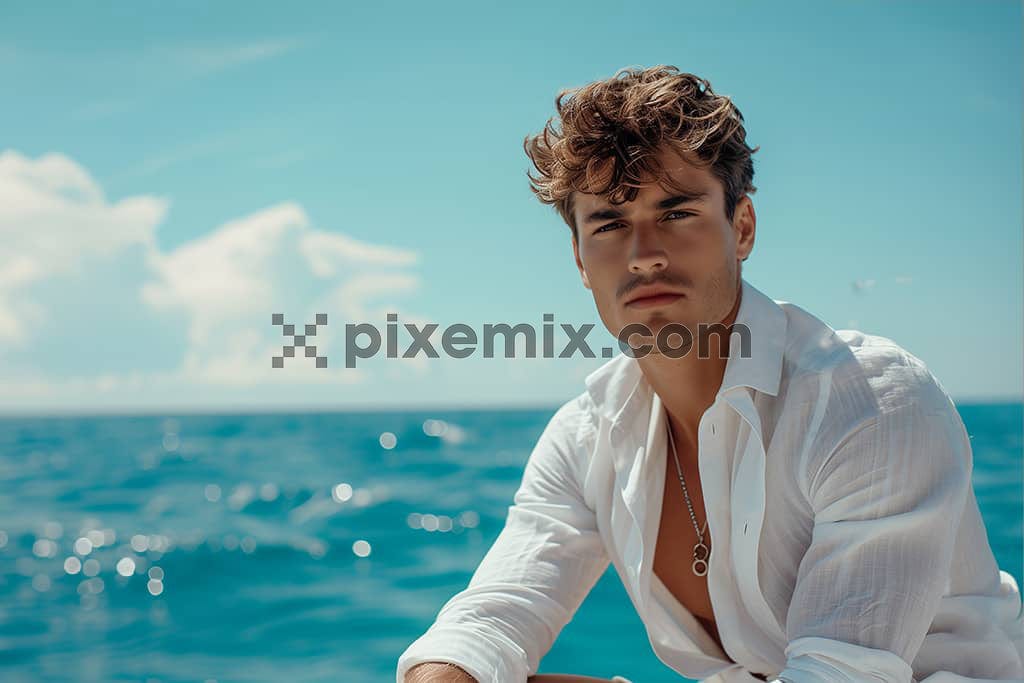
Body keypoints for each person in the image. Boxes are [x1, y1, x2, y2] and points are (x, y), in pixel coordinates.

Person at [396, 65, 1024, 682]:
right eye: (611, 225)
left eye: (677, 213)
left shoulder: (870, 398)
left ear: (741, 227)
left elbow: (841, 673)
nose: (644, 256)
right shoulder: (587, 435)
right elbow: (492, 618)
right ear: (581, 259)